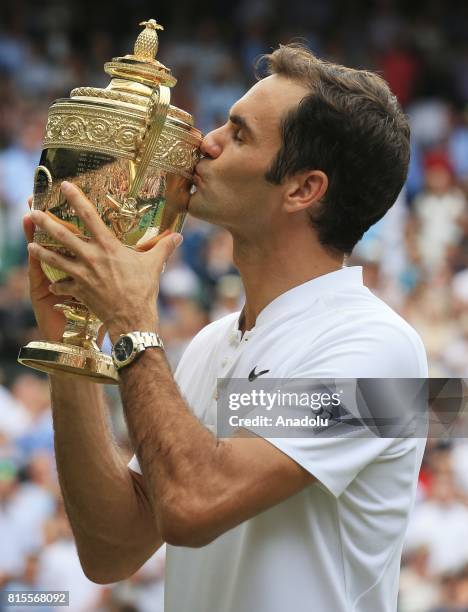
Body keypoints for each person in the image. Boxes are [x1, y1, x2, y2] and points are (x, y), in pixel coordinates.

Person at [24, 45, 428, 612]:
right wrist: (73, 338)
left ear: (303, 189)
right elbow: (110, 551)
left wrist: (131, 322)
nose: (203, 142)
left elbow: (193, 505)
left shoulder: (385, 354)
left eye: (237, 135)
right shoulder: (215, 342)